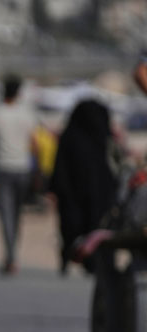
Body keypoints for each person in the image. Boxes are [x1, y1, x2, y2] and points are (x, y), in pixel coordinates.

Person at [0, 74, 39, 275]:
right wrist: (38, 170)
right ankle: (12, 255)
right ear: (19, 92)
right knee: (17, 214)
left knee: (6, 215)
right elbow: (35, 144)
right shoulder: (27, 114)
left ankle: (11, 257)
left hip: (3, 169)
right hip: (23, 169)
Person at [49, 99, 116, 274]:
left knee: (74, 226)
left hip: (73, 193)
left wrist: (56, 189)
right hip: (93, 193)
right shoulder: (99, 137)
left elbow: (59, 167)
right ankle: (87, 260)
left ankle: (78, 257)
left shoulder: (71, 136)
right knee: (92, 223)